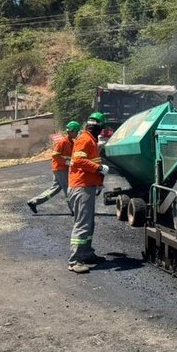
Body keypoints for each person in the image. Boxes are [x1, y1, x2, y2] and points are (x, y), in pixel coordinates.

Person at [67, 112, 110, 274]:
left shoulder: (91, 139)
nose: (101, 131)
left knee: (89, 223)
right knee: (82, 224)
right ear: (96, 127)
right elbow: (78, 161)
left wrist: (98, 183)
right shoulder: (85, 139)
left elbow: (90, 161)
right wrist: (98, 168)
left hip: (87, 186)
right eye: (101, 128)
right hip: (81, 186)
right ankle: (75, 260)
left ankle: (86, 254)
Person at [27, 121, 81, 215]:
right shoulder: (62, 142)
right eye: (76, 132)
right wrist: (67, 162)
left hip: (62, 168)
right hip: (61, 169)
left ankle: (34, 202)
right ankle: (74, 209)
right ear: (71, 131)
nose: (77, 134)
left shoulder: (71, 142)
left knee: (55, 188)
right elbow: (55, 155)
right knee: (68, 189)